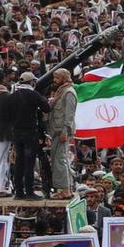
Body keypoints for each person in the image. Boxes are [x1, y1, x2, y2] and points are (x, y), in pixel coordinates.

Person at [9, 72, 51, 200]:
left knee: (19, 162)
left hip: (16, 133)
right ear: (31, 82)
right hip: (30, 133)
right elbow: (46, 108)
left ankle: (18, 192)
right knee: (29, 163)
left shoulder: (13, 95)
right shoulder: (33, 94)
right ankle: (29, 192)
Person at [48, 68, 77, 200]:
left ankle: (65, 190)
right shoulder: (61, 92)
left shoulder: (69, 93)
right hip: (56, 131)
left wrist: (65, 132)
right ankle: (64, 188)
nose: (55, 81)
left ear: (64, 79)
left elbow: (69, 116)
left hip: (62, 132)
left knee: (61, 160)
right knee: (57, 160)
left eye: (57, 78)